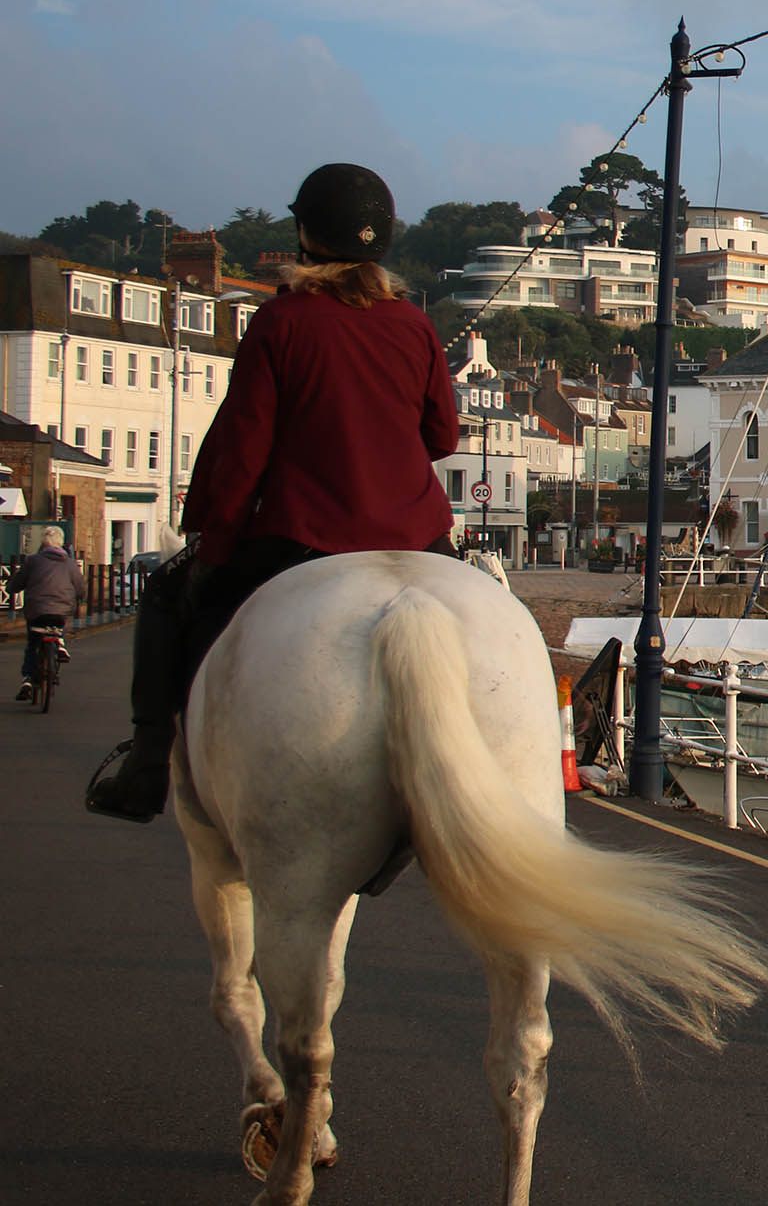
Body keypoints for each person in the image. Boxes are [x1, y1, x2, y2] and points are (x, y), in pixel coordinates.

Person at [86, 164, 463, 822]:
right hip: (419, 537)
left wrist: (214, 544)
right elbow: (443, 435)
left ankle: (146, 764)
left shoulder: (281, 320)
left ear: (305, 235)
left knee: (167, 593)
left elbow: (244, 448)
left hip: (305, 535)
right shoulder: (414, 324)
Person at [10, 526, 85, 700]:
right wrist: (81, 598)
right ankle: (59, 643)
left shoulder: (32, 561)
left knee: (33, 643)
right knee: (59, 619)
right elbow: (80, 587)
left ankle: (27, 679)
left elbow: (18, 582)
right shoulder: (70, 564)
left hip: (36, 610)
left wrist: (11, 588)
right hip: (62, 609)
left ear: (43, 542)